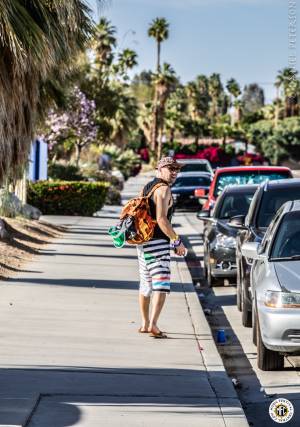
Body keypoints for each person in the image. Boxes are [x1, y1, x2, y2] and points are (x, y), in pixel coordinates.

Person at [137, 157, 187, 338]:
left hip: (143, 243)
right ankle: (153, 324)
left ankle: (144, 323)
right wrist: (176, 241)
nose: (174, 172)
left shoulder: (148, 187)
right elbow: (162, 219)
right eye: (170, 168)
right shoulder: (164, 189)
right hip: (158, 243)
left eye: (176, 169)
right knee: (161, 284)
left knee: (146, 283)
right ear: (159, 169)